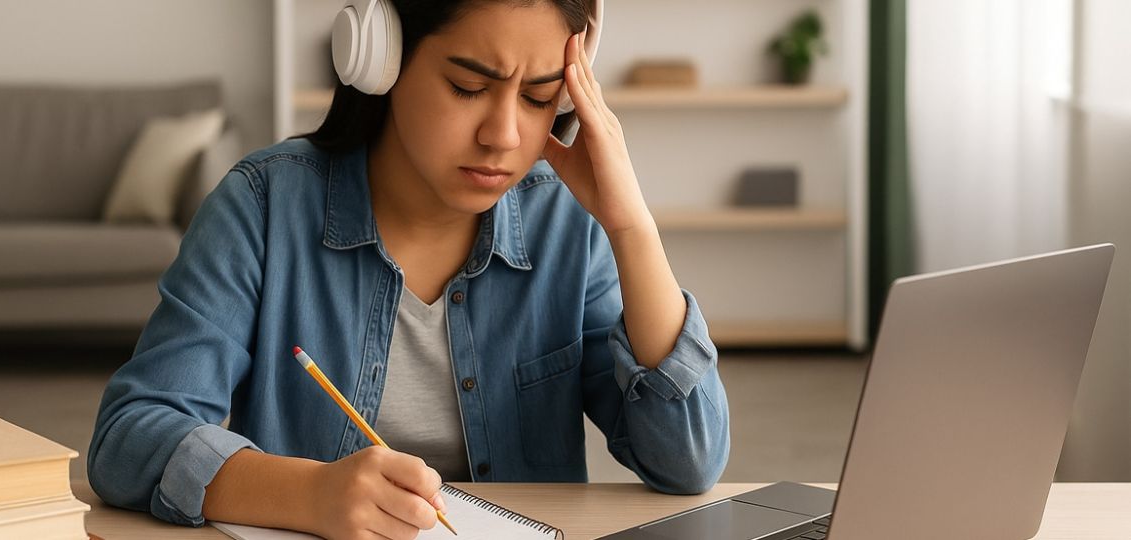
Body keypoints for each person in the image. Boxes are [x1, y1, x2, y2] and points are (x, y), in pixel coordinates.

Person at [88, 1, 729, 539]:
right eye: (468, 87)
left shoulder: (565, 223)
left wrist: (631, 228)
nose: (504, 134)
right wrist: (310, 494)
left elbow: (687, 460)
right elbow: (130, 437)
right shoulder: (262, 206)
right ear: (381, 59)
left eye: (538, 98)